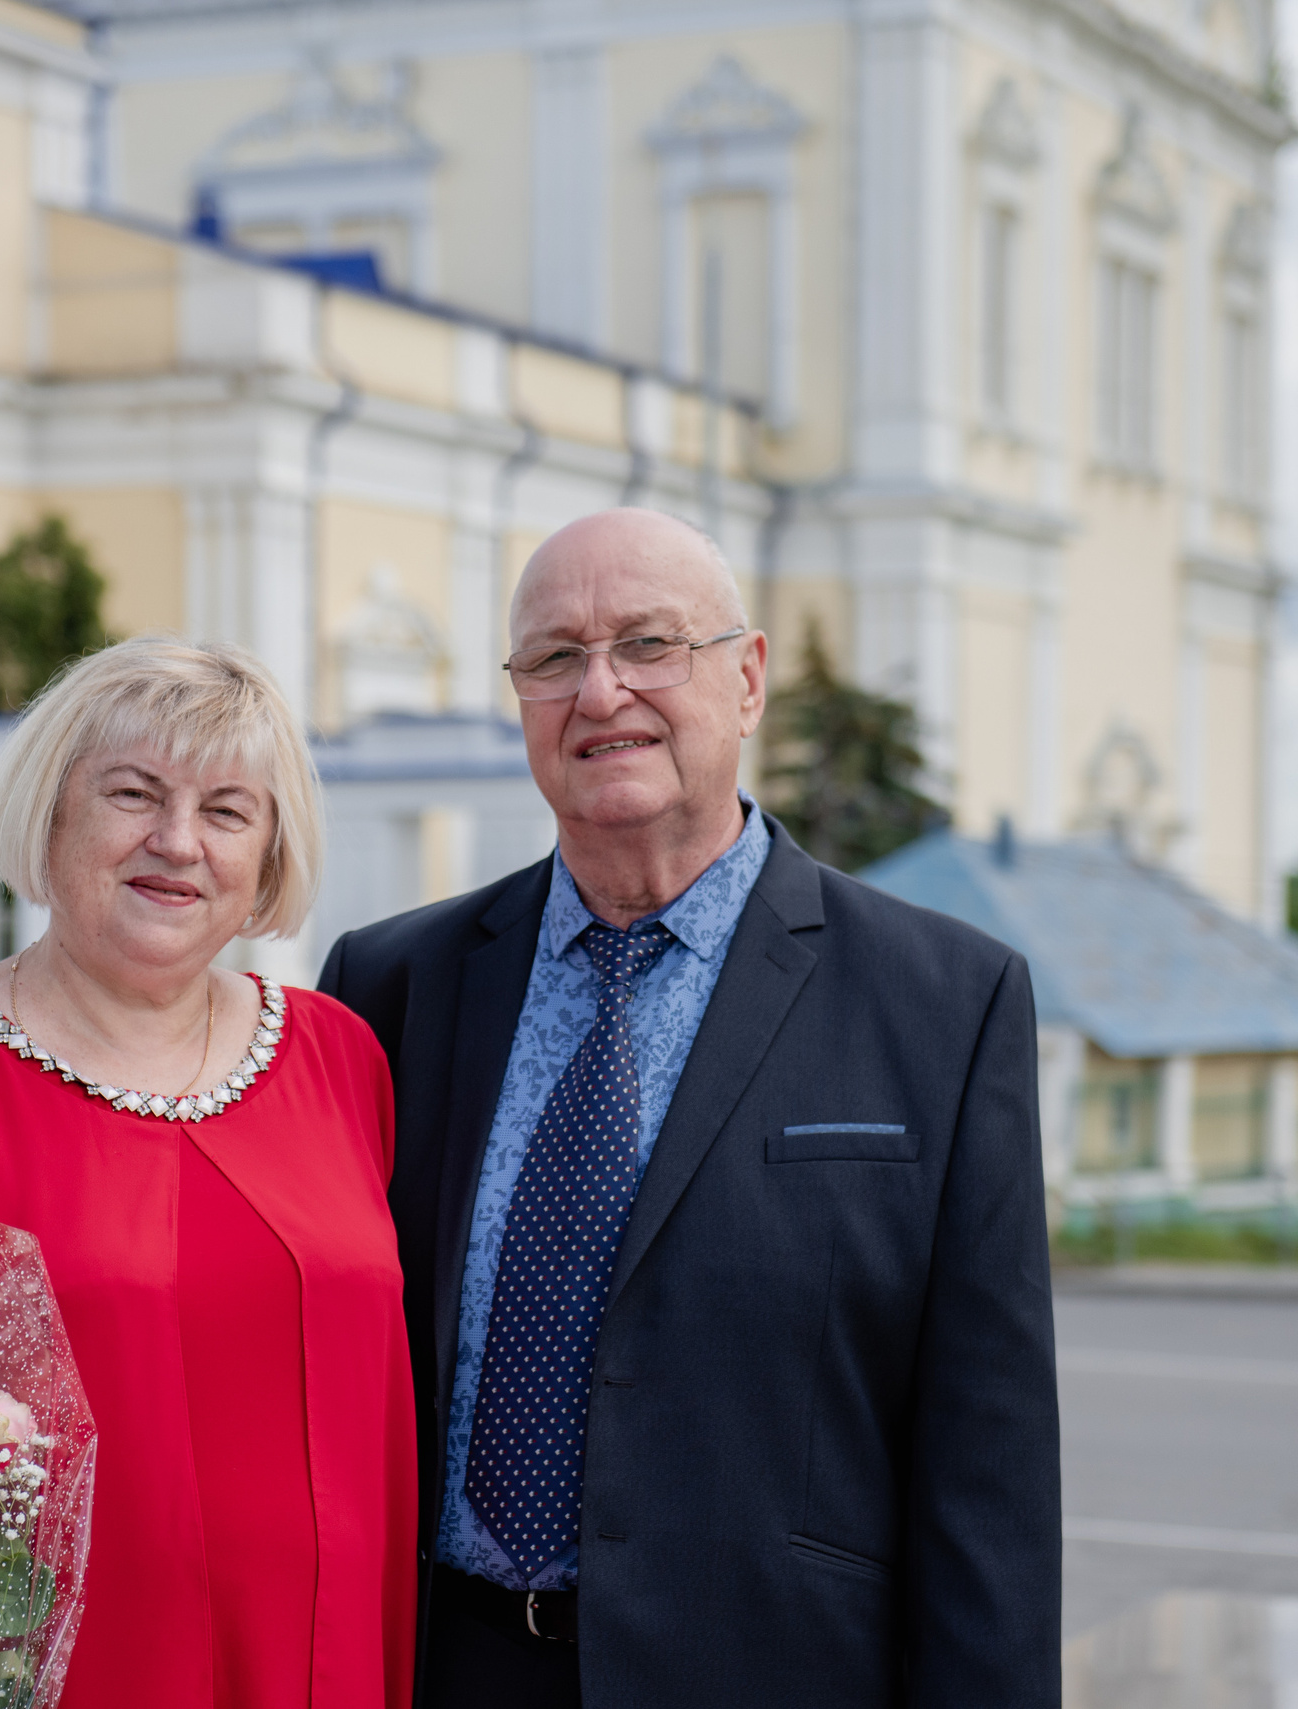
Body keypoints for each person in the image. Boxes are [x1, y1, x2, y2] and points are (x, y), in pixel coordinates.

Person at [320, 510, 1060, 1709]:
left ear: (748, 678)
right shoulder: (392, 985)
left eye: (648, 643)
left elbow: (990, 1462)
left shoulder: (945, 1001)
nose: (600, 689)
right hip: (442, 1668)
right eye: (553, 658)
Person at [0, 638, 416, 1708]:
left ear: (268, 854)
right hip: (29, 1678)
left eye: (227, 810)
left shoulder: (339, 1055)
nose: (176, 841)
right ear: (51, 812)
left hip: (320, 1668)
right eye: (133, 792)